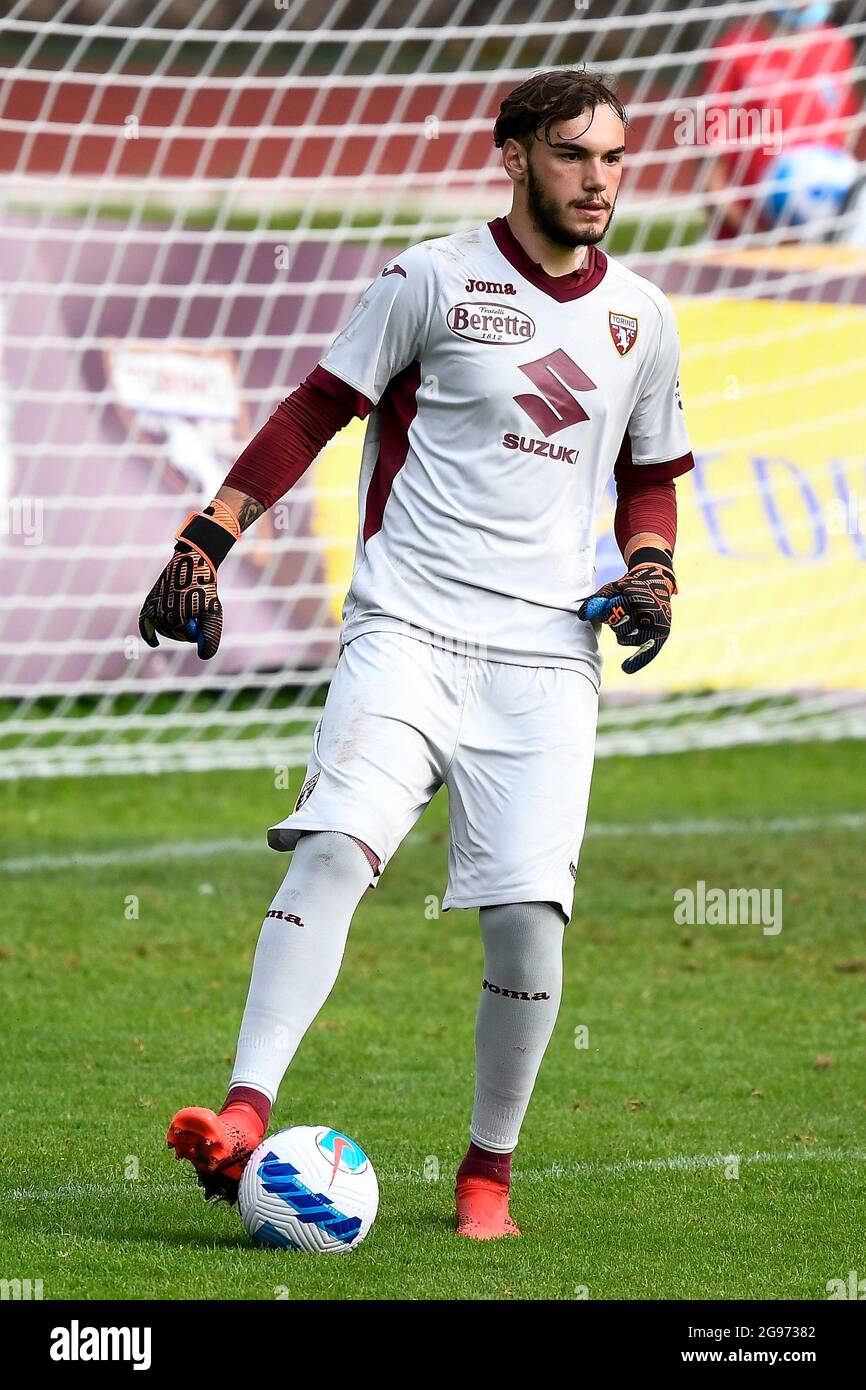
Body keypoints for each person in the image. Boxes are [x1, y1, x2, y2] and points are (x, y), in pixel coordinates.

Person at [138, 67, 694, 1240]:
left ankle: (485, 1174)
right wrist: (205, 539)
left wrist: (650, 568)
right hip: (408, 628)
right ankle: (244, 1112)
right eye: (571, 155)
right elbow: (309, 412)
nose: (596, 180)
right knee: (338, 843)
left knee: (526, 921)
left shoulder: (641, 314)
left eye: (611, 158)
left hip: (548, 657)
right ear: (512, 156)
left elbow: (648, 474)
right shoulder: (427, 278)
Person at [703, 3, 857, 238]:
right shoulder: (733, 53)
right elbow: (711, 180)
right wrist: (761, 239)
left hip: (820, 245)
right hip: (746, 247)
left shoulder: (837, 46)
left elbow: (843, 143)